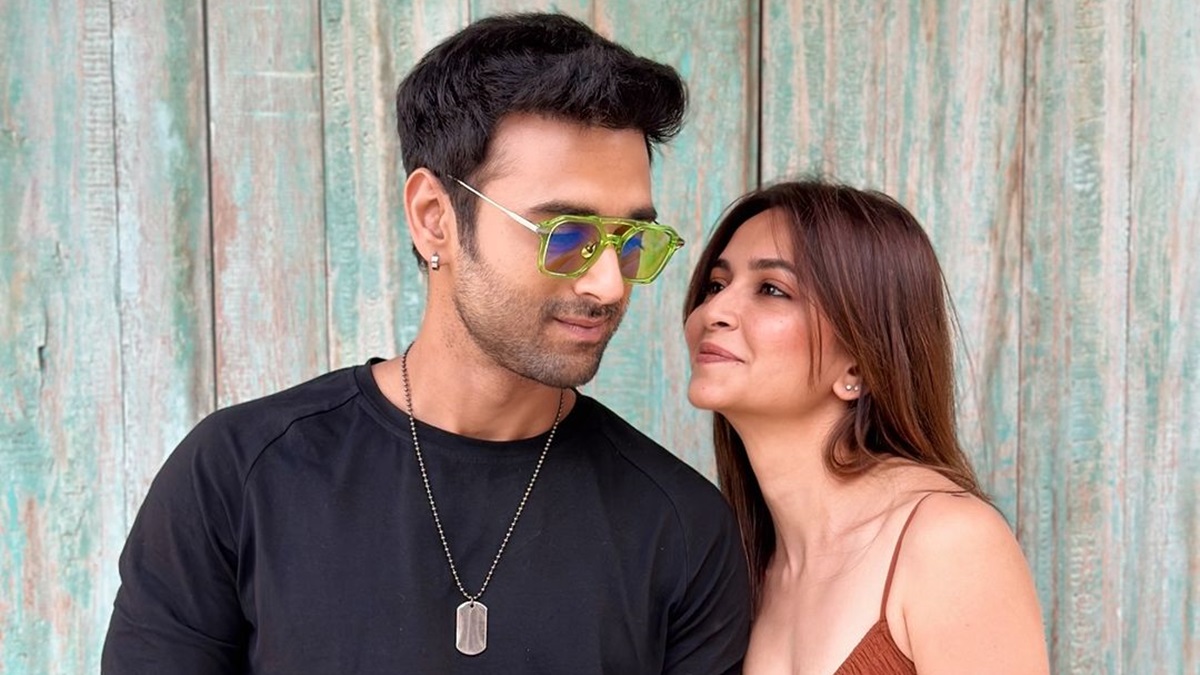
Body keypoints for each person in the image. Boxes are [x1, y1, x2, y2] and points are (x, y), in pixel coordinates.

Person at [102, 13, 750, 674]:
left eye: (630, 240)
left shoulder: (682, 529)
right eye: (565, 233)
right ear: (434, 218)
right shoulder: (239, 476)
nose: (608, 283)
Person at [682, 180, 1050, 674]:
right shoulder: (736, 569)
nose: (714, 312)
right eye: (716, 285)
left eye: (772, 289)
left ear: (857, 365)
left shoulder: (950, 543)